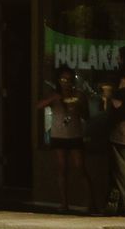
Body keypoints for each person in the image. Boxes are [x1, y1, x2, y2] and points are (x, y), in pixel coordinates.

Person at [37, 68, 91, 212]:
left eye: (68, 80)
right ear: (58, 81)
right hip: (59, 135)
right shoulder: (54, 95)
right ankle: (64, 203)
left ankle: (90, 202)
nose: (66, 83)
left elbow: (87, 115)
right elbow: (39, 105)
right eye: (63, 80)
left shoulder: (79, 95)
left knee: (80, 167)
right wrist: (54, 98)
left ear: (73, 81)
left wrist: (78, 107)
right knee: (61, 168)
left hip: (74, 135)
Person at [108, 46, 125, 218]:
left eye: (120, 57)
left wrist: (109, 97)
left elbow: (117, 104)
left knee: (122, 171)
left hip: (122, 130)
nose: (118, 60)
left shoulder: (122, 79)